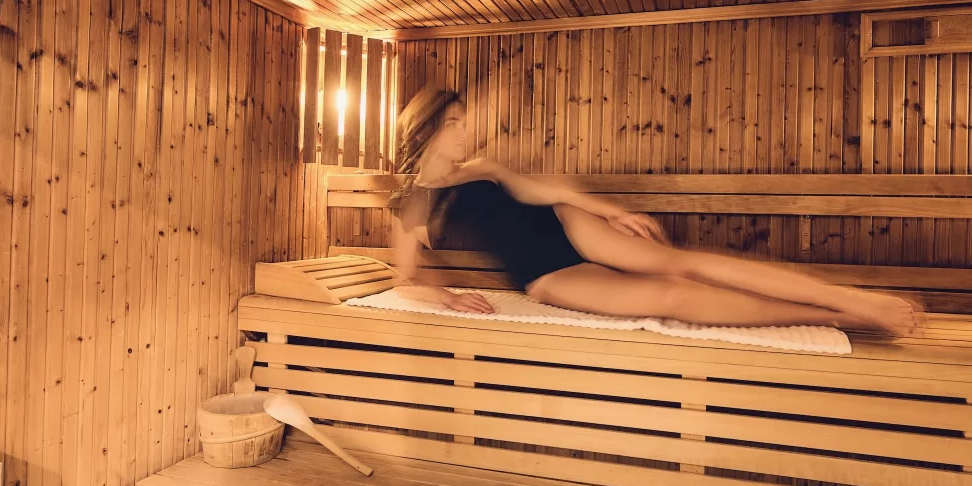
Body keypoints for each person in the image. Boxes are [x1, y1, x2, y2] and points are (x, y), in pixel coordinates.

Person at [388, 87, 922, 336]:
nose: (464, 131)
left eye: (463, 121)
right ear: (428, 128)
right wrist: (446, 294)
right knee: (671, 297)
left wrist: (610, 212)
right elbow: (404, 276)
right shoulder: (413, 201)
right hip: (544, 273)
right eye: (453, 123)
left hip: (565, 225)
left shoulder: (483, 166)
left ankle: (849, 296)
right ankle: (837, 317)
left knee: (682, 262)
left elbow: (542, 192)